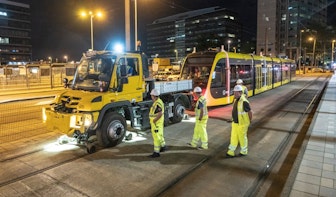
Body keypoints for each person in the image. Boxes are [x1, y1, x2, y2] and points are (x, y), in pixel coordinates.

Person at [226, 85, 253, 158]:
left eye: (235, 93)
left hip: (242, 124)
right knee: (233, 137)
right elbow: (236, 111)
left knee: (242, 138)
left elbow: (250, 112)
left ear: (240, 92)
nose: (234, 94)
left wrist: (249, 121)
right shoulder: (236, 100)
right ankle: (231, 151)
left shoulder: (244, 102)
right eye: (234, 92)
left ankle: (244, 151)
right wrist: (232, 119)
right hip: (235, 123)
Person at [148, 88, 167, 158]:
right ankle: (163, 146)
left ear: (154, 96)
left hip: (156, 124)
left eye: (152, 96)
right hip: (157, 123)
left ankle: (156, 152)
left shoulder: (158, 103)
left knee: (156, 137)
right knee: (160, 135)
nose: (151, 97)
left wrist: (154, 120)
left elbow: (160, 113)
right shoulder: (157, 102)